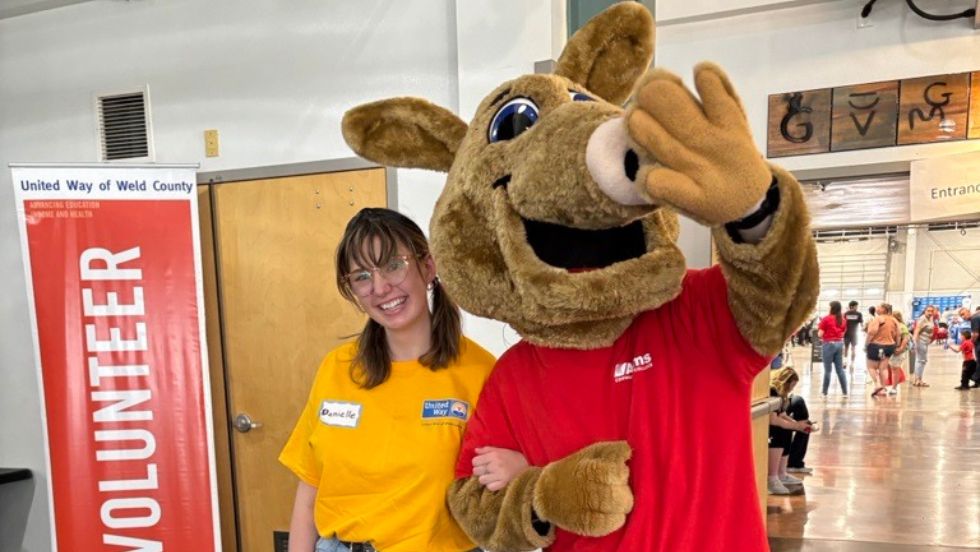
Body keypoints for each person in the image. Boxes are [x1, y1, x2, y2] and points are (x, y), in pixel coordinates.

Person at [279, 208, 516, 552]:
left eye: (393, 265)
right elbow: (308, 492)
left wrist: (520, 467)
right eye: (361, 277)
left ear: (428, 267)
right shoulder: (337, 368)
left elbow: (517, 477)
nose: (380, 287)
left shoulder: (480, 372)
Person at [768, 368, 817, 495]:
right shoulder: (773, 391)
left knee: (787, 430)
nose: (792, 389)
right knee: (781, 430)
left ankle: (781, 472)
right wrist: (796, 426)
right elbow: (773, 420)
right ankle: (772, 477)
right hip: (769, 427)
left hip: (774, 423)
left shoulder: (781, 394)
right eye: (792, 385)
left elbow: (783, 414)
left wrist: (798, 424)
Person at [867, 303, 900, 398]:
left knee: (871, 367)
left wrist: (866, 343)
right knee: (883, 368)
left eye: (878, 307)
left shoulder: (878, 319)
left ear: (883, 309)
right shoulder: (894, 320)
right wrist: (896, 345)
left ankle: (877, 384)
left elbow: (871, 332)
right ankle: (883, 388)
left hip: (876, 345)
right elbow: (898, 334)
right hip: (889, 346)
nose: (876, 308)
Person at [817, 301, 848, 398]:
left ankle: (824, 392)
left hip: (828, 345)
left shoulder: (826, 319)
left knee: (828, 370)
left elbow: (820, 334)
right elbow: (843, 334)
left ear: (832, 308)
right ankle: (845, 392)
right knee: (840, 370)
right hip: (839, 344)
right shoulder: (843, 320)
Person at [884, 311, 911, 395]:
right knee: (892, 368)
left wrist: (900, 348)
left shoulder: (902, 326)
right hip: (890, 349)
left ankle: (894, 388)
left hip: (898, 351)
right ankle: (890, 386)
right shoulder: (891, 326)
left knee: (895, 368)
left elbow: (906, 338)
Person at [912, 305, 937, 387]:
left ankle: (918, 379)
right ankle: (918, 380)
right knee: (921, 361)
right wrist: (914, 343)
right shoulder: (922, 319)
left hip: (925, 342)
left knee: (921, 361)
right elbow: (917, 330)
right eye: (928, 311)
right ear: (924, 311)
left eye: (931, 311)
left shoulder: (931, 318)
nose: (930, 312)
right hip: (920, 342)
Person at [843, 301, 863, 374]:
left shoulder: (846, 314)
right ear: (852, 306)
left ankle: (845, 362)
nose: (857, 307)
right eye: (856, 306)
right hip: (854, 334)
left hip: (846, 334)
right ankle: (852, 363)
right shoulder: (859, 314)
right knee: (853, 349)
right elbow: (861, 324)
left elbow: (843, 324)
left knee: (846, 348)